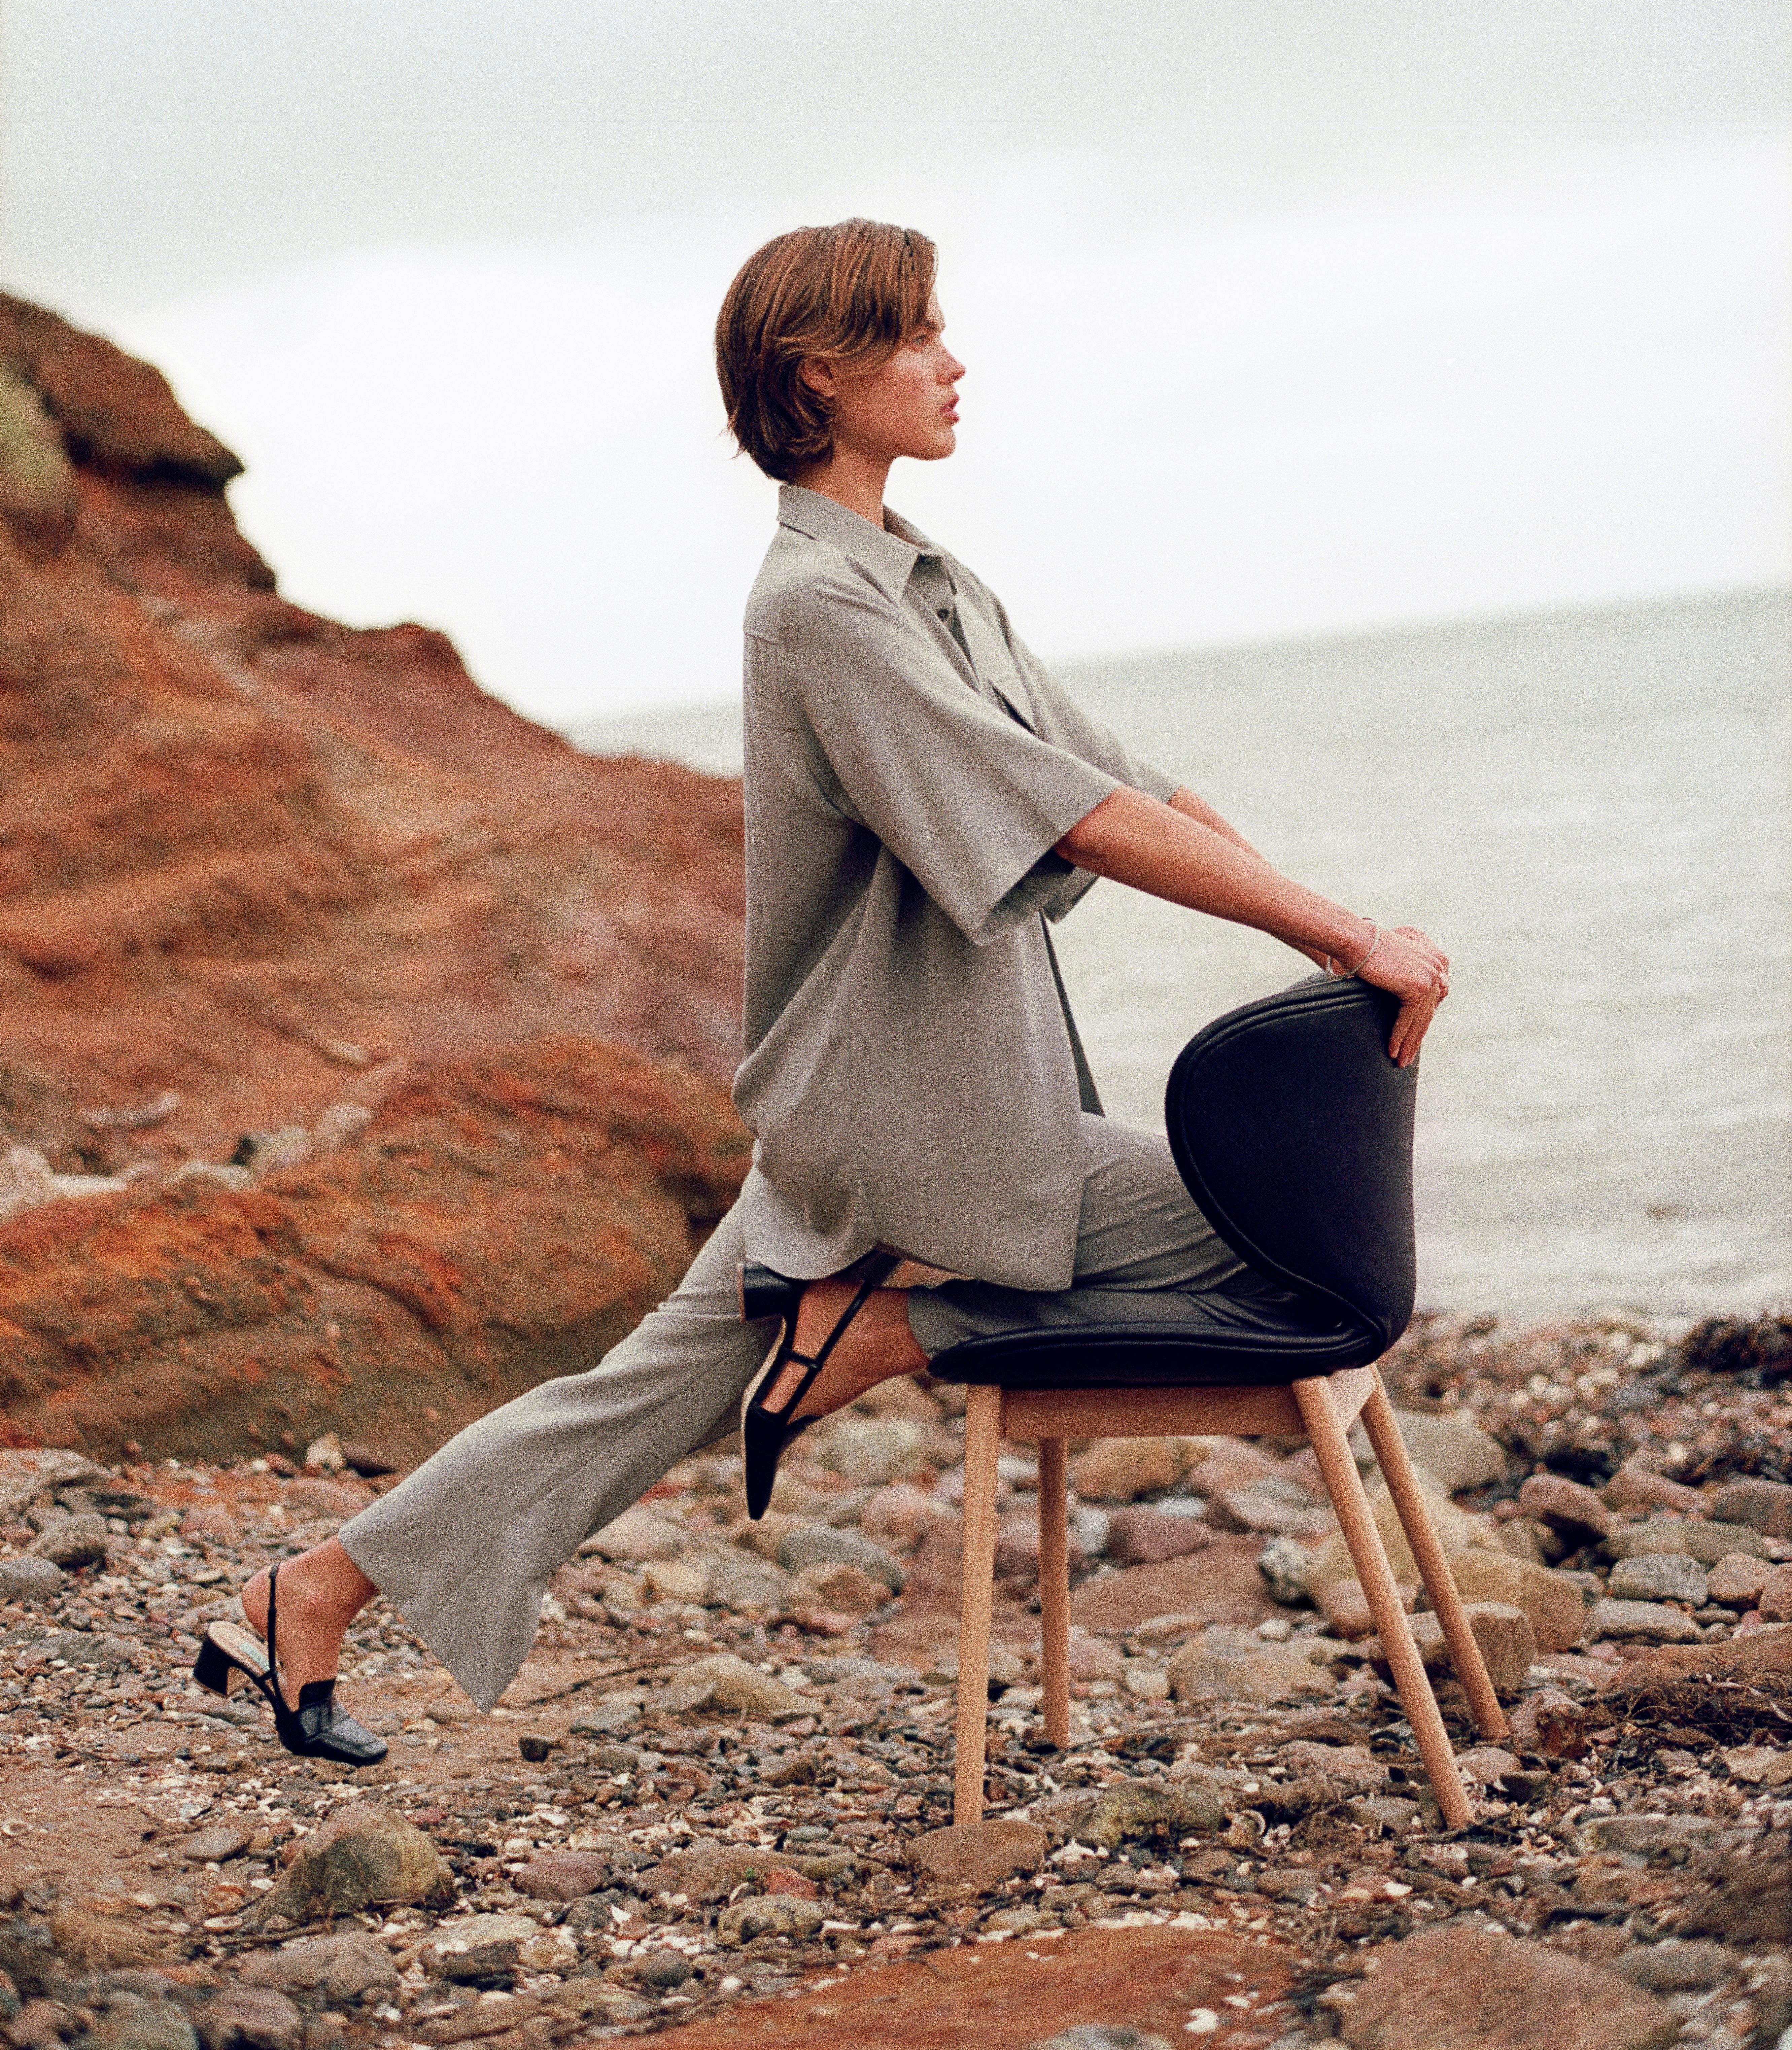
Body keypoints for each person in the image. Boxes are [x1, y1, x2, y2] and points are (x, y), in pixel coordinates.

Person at [195, 218, 1448, 1759]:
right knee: (1291, 1242)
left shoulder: (925, 581)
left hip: (886, 1096)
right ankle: (890, 1327)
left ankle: (307, 1593)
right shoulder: (817, 609)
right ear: (821, 372)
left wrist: (1334, 933)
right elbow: (1070, 822)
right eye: (918, 334)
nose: (952, 359)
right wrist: (1337, 937)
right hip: (901, 1121)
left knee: (641, 1390)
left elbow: (1133, 782)